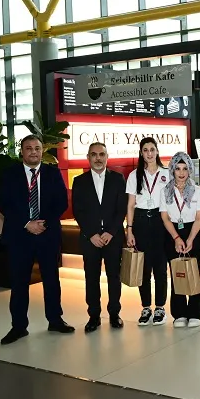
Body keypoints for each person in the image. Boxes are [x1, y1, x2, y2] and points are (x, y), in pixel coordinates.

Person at [0, 135, 74, 345]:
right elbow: (5, 204)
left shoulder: (52, 173)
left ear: (42, 151)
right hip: (19, 235)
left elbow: (61, 202)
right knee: (19, 282)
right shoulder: (10, 174)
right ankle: (18, 326)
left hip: (47, 235)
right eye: (29, 148)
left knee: (51, 280)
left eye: (37, 148)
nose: (33, 152)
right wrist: (27, 223)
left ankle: (55, 320)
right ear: (22, 151)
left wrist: (43, 223)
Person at [71, 142, 128, 333]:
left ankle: (114, 313)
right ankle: (94, 316)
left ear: (107, 157)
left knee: (114, 276)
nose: (98, 158)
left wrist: (111, 232)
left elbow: (121, 209)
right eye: (94, 154)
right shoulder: (79, 181)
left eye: (101, 154)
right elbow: (78, 211)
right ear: (88, 157)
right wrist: (91, 234)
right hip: (90, 239)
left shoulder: (118, 179)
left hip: (113, 237)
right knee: (91, 277)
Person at [125, 137, 170, 326]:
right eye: (145, 150)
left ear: (157, 151)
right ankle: (145, 307)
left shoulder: (167, 173)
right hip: (141, 221)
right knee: (143, 268)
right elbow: (130, 205)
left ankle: (160, 307)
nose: (149, 153)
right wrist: (129, 230)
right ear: (141, 153)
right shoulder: (134, 175)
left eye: (152, 149)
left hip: (161, 221)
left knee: (160, 267)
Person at [161, 152, 200, 328]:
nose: (181, 172)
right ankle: (179, 313)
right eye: (178, 168)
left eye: (185, 169)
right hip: (172, 233)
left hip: (192, 231)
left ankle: (195, 313)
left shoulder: (197, 190)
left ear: (190, 170)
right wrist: (177, 238)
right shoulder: (165, 190)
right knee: (176, 272)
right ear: (172, 170)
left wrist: (191, 239)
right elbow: (165, 217)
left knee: (194, 272)